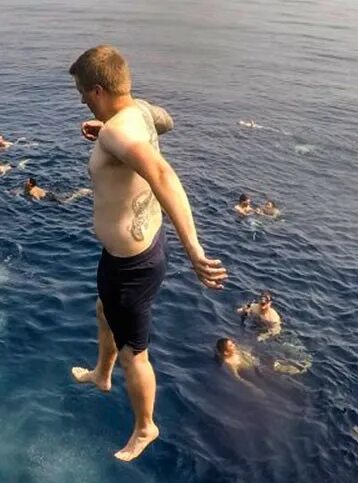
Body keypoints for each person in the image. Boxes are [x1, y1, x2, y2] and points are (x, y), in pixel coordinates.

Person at [65, 45, 226, 461]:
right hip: (126, 253)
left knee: (136, 354)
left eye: (83, 93)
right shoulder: (137, 111)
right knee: (104, 310)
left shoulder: (120, 130)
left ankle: (145, 427)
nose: (82, 99)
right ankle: (102, 375)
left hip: (133, 264)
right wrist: (107, 130)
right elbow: (165, 122)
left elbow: (162, 173)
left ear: (98, 89)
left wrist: (193, 247)